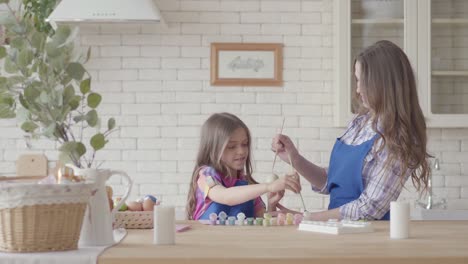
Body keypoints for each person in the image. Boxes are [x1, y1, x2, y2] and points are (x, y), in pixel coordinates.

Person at [271, 40, 430, 221]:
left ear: (384, 84)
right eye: (357, 80)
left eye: (364, 81)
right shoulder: (359, 123)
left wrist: (305, 217)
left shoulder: (401, 137)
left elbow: (369, 208)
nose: (357, 90)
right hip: (337, 231)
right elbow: (331, 182)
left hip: (369, 238)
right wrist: (294, 159)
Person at [186, 112, 301, 220]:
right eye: (231, 146)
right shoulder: (207, 176)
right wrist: (268, 186)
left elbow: (259, 221)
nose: (241, 151)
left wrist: (272, 204)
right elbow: (226, 196)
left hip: (242, 241)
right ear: (213, 149)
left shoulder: (247, 184)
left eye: (244, 144)